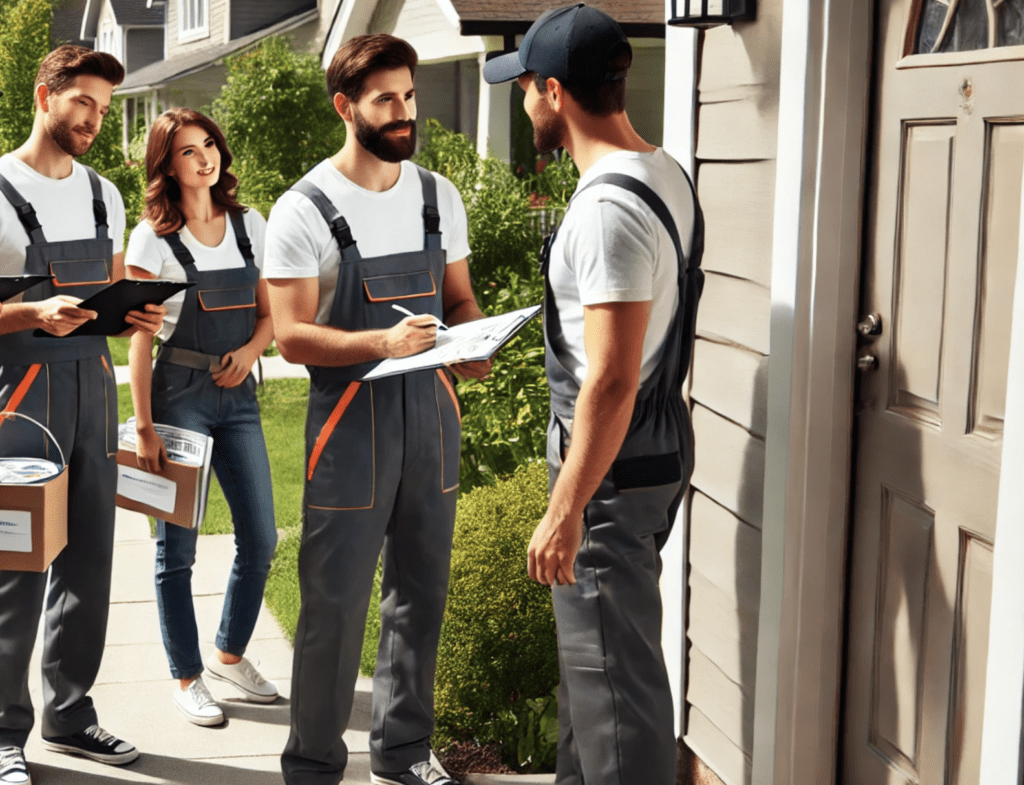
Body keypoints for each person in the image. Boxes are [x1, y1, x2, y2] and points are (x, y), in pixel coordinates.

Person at [483, 6, 705, 785]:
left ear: (552, 92)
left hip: (608, 473)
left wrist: (564, 508)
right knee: (595, 674)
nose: (523, 104)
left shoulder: (607, 210)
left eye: (525, 90)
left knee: (616, 694)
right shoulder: (663, 171)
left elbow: (610, 378)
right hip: (649, 450)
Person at [264, 33, 489, 785]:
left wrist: (473, 341)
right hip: (350, 423)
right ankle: (314, 765)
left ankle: (402, 751)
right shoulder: (304, 209)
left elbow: (458, 299)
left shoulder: (437, 195)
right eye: (385, 99)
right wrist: (383, 343)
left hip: (432, 413)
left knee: (421, 590)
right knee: (334, 602)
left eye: (409, 96)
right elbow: (292, 336)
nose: (403, 112)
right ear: (346, 107)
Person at [0, 45, 165, 785]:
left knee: (90, 560)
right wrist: (34, 310)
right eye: (83, 104)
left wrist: (133, 316)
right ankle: (4, 732)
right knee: (17, 566)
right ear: (45, 97)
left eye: (103, 107)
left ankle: (69, 713)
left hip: (94, 390)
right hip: (20, 396)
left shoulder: (106, 194)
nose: (96, 119)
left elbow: (101, 303)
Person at [124, 108, 279, 728]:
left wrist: (249, 352)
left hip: (237, 395)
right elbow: (139, 341)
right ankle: (187, 676)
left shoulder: (251, 226)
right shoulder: (151, 240)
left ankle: (228, 654)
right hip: (177, 396)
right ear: (167, 163)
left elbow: (271, 316)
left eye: (209, 144)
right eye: (188, 151)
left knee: (261, 537)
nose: (204, 158)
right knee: (176, 549)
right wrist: (143, 427)